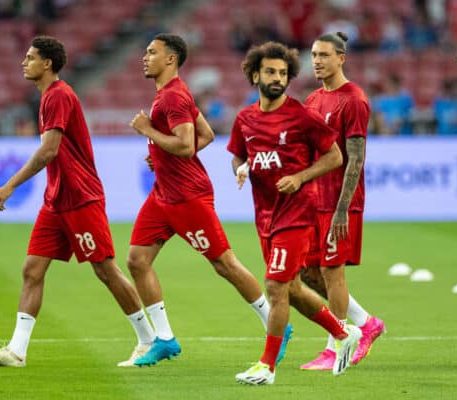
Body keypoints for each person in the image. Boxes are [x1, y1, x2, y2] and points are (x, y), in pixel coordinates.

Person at [0, 36, 153, 367]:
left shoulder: (58, 95)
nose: (23, 62)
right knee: (32, 269)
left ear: (47, 63)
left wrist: (9, 186)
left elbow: (49, 150)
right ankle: (17, 351)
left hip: (80, 198)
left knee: (105, 269)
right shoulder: (48, 97)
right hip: (56, 200)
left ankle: (147, 339)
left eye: (30, 57)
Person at [126, 33, 291, 367]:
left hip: (188, 197)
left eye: (151, 52)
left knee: (224, 264)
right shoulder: (172, 93)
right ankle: (165, 338)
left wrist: (148, 132)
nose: (144, 57)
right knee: (137, 260)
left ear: (170, 59)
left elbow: (187, 145)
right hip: (163, 194)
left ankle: (277, 322)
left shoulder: (172, 97)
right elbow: (207, 135)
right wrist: (160, 154)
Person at [228, 41, 362, 385]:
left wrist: (300, 177)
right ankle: (344, 333)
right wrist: (241, 168)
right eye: (271, 72)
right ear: (255, 74)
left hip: (298, 215)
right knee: (293, 289)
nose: (277, 78)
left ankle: (266, 367)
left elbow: (334, 157)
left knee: (274, 287)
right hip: (265, 217)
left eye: (283, 73)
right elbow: (238, 157)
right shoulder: (244, 118)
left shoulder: (302, 115)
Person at [299, 32, 385, 371]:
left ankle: (336, 347)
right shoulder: (313, 100)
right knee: (308, 273)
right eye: (313, 54)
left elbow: (356, 157)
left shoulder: (354, 100)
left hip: (340, 202)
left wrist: (341, 209)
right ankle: (366, 323)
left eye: (324, 55)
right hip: (314, 199)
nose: (317, 60)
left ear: (341, 58)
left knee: (332, 273)